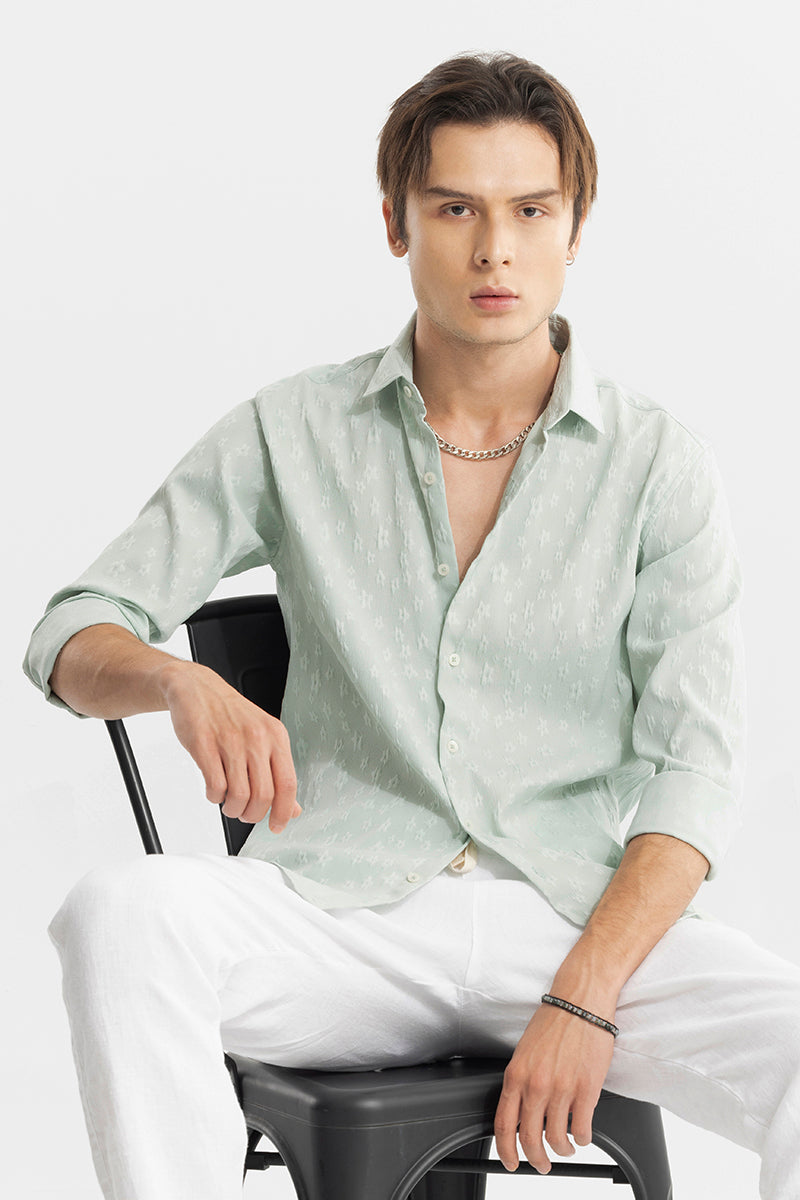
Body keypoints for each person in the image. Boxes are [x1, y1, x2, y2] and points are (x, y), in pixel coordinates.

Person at [24, 51, 800, 1200]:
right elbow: (71, 633)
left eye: (529, 210)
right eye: (455, 209)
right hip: (339, 921)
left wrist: (584, 996)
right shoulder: (292, 431)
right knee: (118, 913)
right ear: (395, 222)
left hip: (570, 922)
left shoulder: (656, 466)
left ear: (573, 228)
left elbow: (694, 774)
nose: (495, 250)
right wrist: (178, 682)